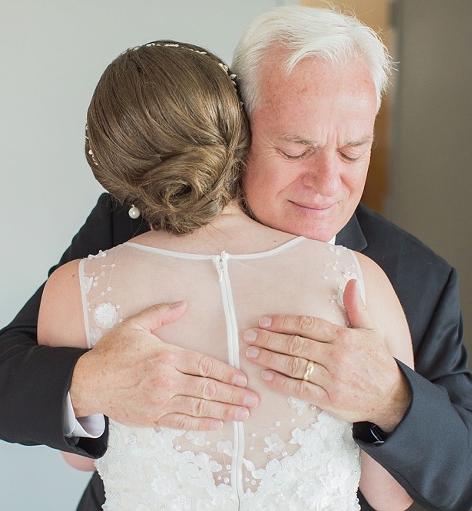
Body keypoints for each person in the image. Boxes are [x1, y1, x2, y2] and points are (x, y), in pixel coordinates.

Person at [0, 5, 472, 511]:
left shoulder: (414, 275)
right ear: (239, 126)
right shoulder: (132, 216)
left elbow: (468, 475)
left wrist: (393, 402)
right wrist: (89, 382)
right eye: (295, 149)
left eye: (354, 151)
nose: (328, 184)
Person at [37, 40, 413, 510]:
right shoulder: (361, 281)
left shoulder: (77, 289)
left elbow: (82, 459)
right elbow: (389, 498)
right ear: (242, 133)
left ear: (111, 165)